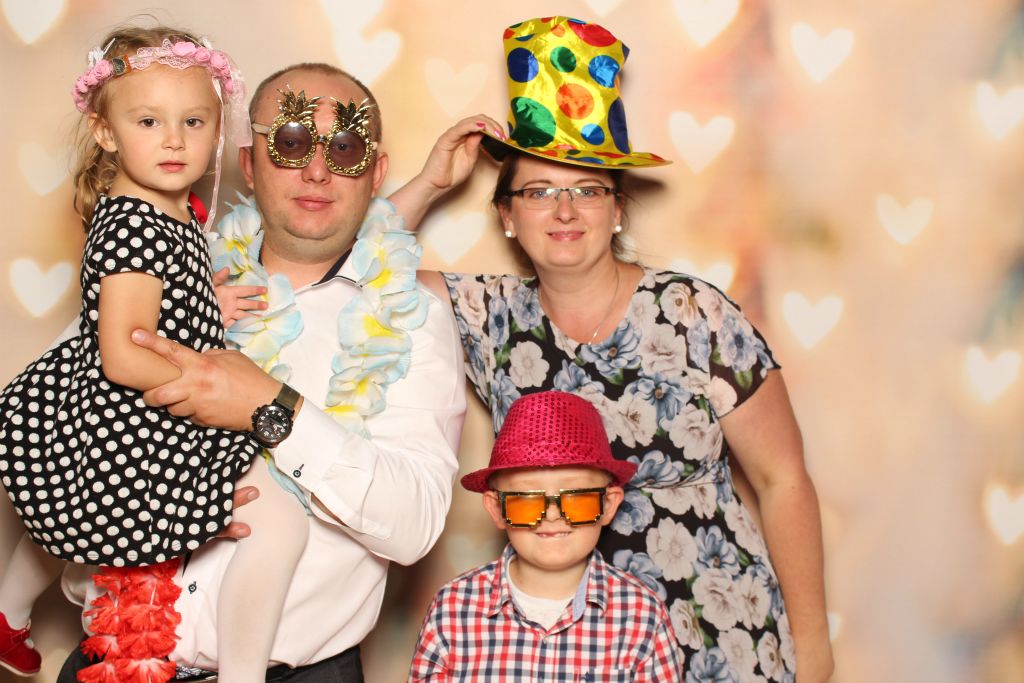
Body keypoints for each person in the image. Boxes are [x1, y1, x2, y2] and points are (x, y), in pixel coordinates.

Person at [396, 16, 835, 682]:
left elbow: (783, 479)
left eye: (587, 189)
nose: (565, 211)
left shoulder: (695, 313)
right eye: (539, 192)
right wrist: (431, 181)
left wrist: (814, 644)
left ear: (618, 207)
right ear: (507, 216)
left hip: (721, 635)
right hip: (573, 648)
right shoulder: (488, 316)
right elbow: (352, 278)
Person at [54, 59, 466, 682]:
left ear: (375, 173)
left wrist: (272, 408)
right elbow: (60, 410)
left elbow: (413, 527)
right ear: (249, 163)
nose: (318, 170)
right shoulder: (161, 263)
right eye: (291, 142)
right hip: (113, 657)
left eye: (345, 148)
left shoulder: (411, 316)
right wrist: (169, 507)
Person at [0, 26, 313, 682]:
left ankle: (8, 610)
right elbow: (122, 357)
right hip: (135, 417)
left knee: (69, 506)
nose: (174, 140)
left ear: (217, 128)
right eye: (148, 121)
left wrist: (203, 304)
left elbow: (147, 307)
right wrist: (216, 386)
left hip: (118, 410)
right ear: (106, 131)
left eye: (193, 121)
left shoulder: (163, 210)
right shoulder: (136, 227)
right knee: (277, 522)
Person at [408, 390, 683, 681]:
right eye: (527, 500)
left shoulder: (642, 617)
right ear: (497, 509)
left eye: (576, 498)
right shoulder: (453, 610)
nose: (552, 515)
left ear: (609, 505)